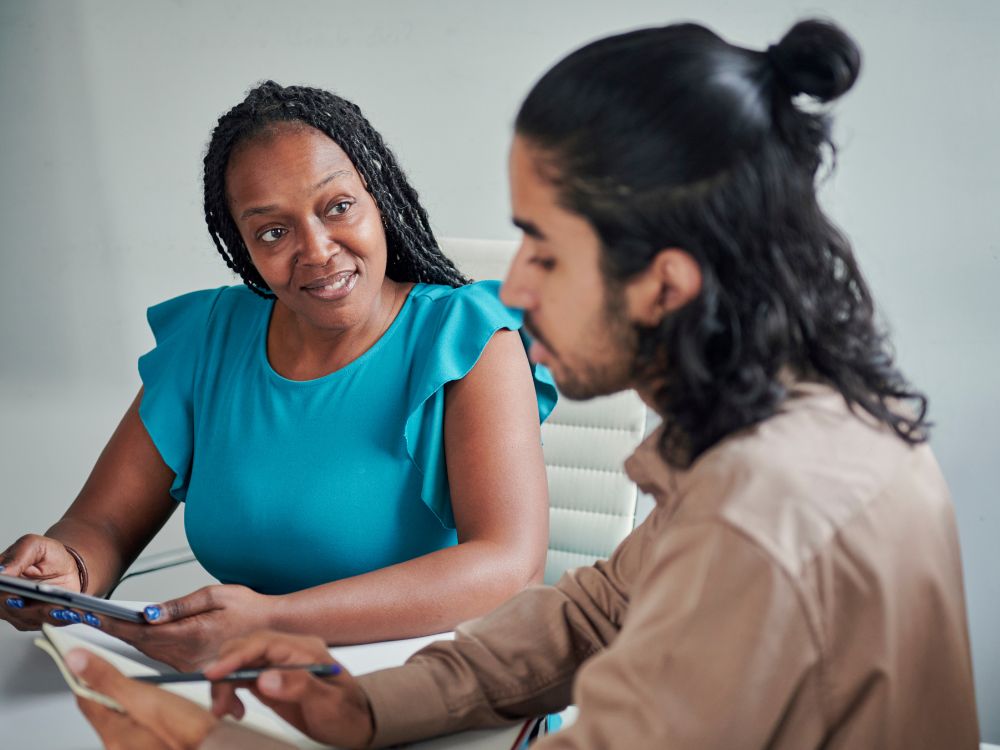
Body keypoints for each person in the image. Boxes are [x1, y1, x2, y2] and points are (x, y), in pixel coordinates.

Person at [65, 18, 980, 749]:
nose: (518, 286)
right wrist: (369, 708)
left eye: (544, 248)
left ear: (664, 282)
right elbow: (596, 612)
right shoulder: (769, 435)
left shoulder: (762, 516)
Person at [0, 82, 556, 670]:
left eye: (338, 207)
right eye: (273, 231)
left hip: (426, 687)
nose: (316, 251)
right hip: (242, 689)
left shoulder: (466, 338)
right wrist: (69, 568)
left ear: (379, 199)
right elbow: (104, 523)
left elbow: (509, 566)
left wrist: (272, 623)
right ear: (243, 247)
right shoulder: (209, 339)